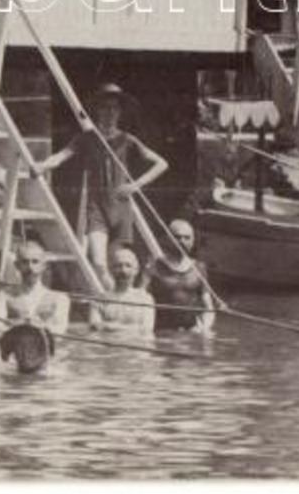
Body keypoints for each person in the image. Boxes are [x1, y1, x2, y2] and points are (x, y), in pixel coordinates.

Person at [37, 83, 168, 283]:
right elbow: (62, 156)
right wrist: (42, 165)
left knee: (117, 262)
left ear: (120, 112)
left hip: (121, 207)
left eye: (114, 108)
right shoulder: (87, 138)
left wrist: (136, 185)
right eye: (105, 107)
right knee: (98, 262)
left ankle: (115, 302)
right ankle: (109, 300)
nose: (110, 112)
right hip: (96, 207)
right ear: (97, 110)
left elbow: (161, 163)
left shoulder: (127, 139)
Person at [145, 219, 217, 336]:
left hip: (190, 332)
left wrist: (204, 328)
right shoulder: (154, 266)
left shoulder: (199, 268)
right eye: (177, 237)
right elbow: (139, 298)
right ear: (168, 239)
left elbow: (208, 307)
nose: (182, 241)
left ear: (193, 241)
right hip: (161, 332)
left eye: (186, 237)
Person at [0, 239, 70, 333]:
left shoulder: (60, 299)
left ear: (44, 266)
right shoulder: (4, 295)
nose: (30, 268)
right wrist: (25, 326)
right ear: (17, 265)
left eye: (35, 262)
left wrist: (30, 326)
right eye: (25, 262)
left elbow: (59, 331)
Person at [88, 245, 155, 340]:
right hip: (108, 352)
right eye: (118, 266)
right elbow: (94, 326)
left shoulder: (145, 299)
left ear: (136, 270)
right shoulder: (99, 299)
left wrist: (108, 327)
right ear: (111, 270)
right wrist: (133, 329)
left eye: (128, 265)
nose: (123, 271)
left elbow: (147, 329)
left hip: (136, 351)